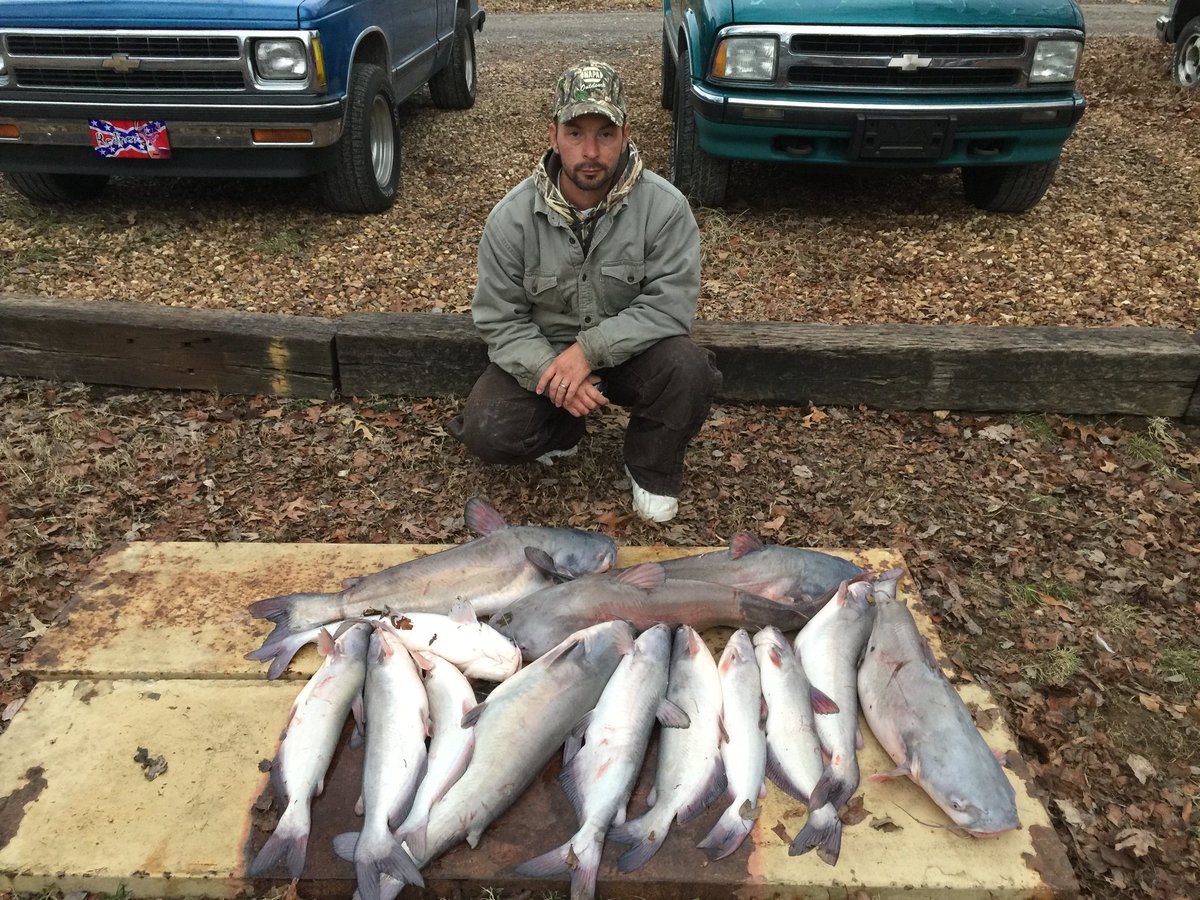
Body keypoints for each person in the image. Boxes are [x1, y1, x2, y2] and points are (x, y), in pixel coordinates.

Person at [448, 60, 721, 523]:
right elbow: (500, 319)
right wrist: (554, 374)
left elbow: (669, 306)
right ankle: (563, 428)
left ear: (626, 135)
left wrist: (589, 352)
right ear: (553, 136)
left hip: (635, 354)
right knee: (488, 430)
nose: (590, 151)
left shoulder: (667, 208)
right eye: (575, 132)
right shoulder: (510, 219)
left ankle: (651, 468)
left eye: (605, 133)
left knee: (690, 370)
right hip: (547, 355)